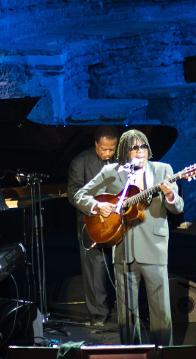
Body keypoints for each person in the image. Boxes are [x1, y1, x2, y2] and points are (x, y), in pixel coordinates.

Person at [73, 129, 183, 345]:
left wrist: (170, 195)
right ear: (124, 151)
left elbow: (177, 207)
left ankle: (164, 358)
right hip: (123, 250)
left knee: (161, 311)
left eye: (143, 146)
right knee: (127, 316)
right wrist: (97, 205)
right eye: (134, 147)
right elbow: (80, 195)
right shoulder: (112, 172)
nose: (140, 151)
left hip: (154, 247)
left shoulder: (163, 170)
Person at [67, 126, 119, 327]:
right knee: (95, 270)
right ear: (96, 144)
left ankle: (125, 310)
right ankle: (98, 316)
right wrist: (96, 207)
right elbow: (73, 193)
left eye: (111, 149)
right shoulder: (80, 162)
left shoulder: (120, 161)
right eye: (104, 149)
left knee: (123, 265)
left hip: (118, 222)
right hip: (91, 222)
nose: (108, 153)